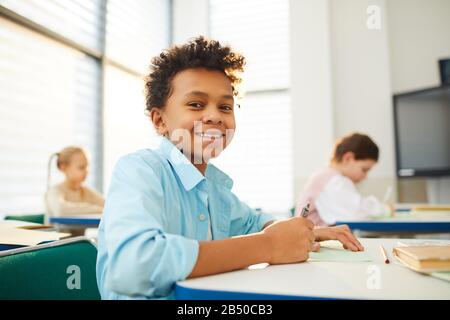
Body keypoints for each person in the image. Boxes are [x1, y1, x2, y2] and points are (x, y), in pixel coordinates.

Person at [96, 36, 363, 300]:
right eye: (196, 104)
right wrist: (269, 246)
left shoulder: (214, 188)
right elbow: (132, 266)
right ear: (159, 120)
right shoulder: (140, 170)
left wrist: (304, 232)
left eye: (225, 106)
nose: (214, 116)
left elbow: (254, 222)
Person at [296, 133, 391, 226]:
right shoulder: (331, 181)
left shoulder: (325, 176)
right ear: (348, 158)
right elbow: (355, 211)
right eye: (364, 169)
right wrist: (385, 210)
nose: (365, 176)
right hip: (313, 239)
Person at [45, 146, 104, 220]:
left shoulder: (86, 192)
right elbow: (60, 210)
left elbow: (109, 206)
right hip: (56, 232)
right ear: (63, 167)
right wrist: (99, 209)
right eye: (81, 167)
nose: (86, 171)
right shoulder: (54, 191)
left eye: (87, 166)